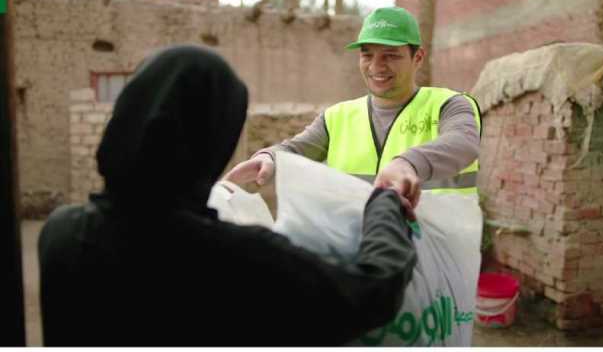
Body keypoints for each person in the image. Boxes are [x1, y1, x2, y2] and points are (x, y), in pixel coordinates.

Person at [38, 45, 417, 346]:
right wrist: (381, 204)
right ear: (212, 140)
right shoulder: (237, 258)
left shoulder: (62, 234)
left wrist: (219, 194)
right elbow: (372, 291)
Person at [225, 7, 482, 208]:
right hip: (356, 252)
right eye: (367, 54)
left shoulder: (449, 105)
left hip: (434, 253)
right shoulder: (337, 117)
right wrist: (268, 158)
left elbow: (463, 142)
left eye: (390, 55)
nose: (376, 67)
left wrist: (409, 164)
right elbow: (295, 149)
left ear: (417, 58)